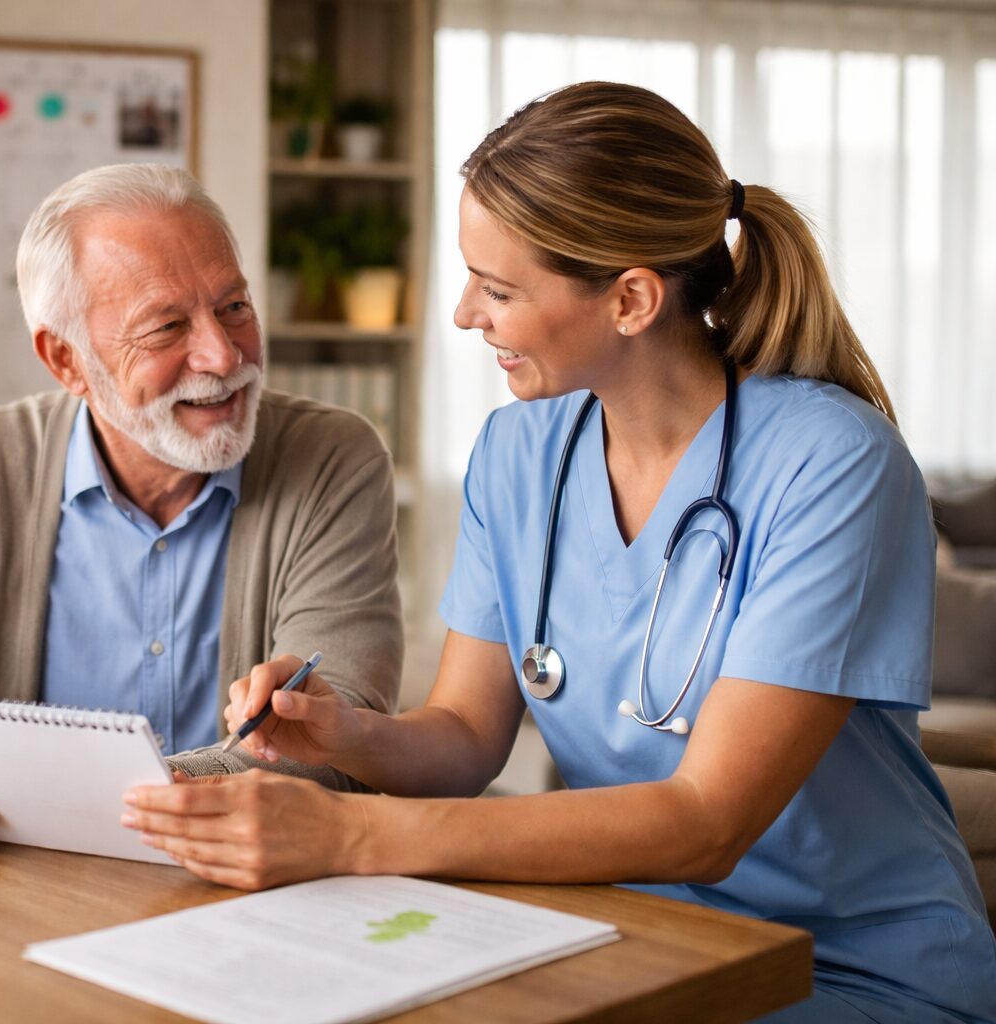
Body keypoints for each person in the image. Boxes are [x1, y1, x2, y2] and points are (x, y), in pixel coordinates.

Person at [122, 84, 996, 1022]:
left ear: (630, 299)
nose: (464, 315)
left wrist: (349, 832)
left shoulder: (832, 464)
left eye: (498, 290)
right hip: (622, 944)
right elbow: (464, 738)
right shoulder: (518, 454)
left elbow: (707, 823)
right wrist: (349, 733)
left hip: (844, 970)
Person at [0, 164, 402, 845]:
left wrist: (116, 802)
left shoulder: (333, 458)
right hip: (25, 896)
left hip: (242, 892)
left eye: (234, 306)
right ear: (66, 361)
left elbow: (345, 734)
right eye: (166, 327)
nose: (221, 354)